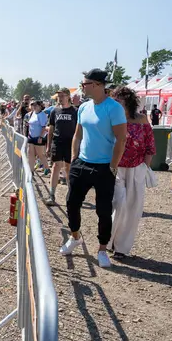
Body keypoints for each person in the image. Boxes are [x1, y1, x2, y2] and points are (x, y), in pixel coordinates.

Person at [60, 68, 127, 268]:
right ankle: (75, 237)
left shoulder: (113, 108)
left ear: (97, 85)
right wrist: (74, 157)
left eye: (85, 84)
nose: (82, 87)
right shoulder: (84, 107)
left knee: (103, 210)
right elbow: (78, 135)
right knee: (71, 202)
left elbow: (121, 139)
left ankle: (102, 249)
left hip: (104, 166)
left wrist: (113, 166)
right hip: (82, 163)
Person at [107, 87, 155, 259]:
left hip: (137, 169)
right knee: (118, 205)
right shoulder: (112, 120)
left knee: (133, 209)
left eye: (119, 100)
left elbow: (150, 146)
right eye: (114, 100)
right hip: (116, 169)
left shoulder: (142, 119)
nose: (116, 103)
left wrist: (144, 168)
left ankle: (121, 247)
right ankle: (109, 241)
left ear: (128, 102)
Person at [45, 88, 78, 205]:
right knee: (56, 167)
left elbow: (79, 130)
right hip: (57, 142)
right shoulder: (55, 111)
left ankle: (71, 194)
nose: (60, 98)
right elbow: (51, 129)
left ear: (68, 96)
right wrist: (48, 146)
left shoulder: (75, 111)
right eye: (58, 96)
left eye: (62, 96)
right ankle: (52, 195)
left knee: (69, 168)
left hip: (70, 142)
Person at [26, 100, 51, 175]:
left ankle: (46, 168)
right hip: (31, 136)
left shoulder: (42, 115)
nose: (34, 106)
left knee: (40, 154)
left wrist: (40, 137)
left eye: (36, 105)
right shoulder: (33, 113)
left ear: (40, 106)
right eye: (33, 105)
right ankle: (31, 170)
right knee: (30, 154)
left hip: (38, 137)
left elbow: (44, 127)